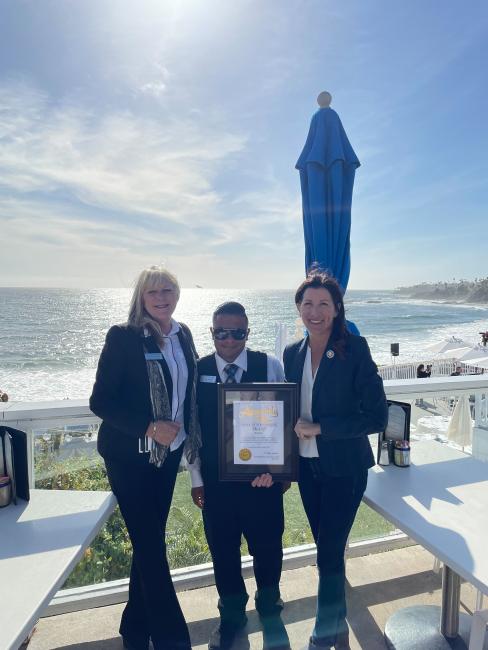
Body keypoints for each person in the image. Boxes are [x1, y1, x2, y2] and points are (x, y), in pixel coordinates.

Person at [90, 266, 200, 650]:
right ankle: (173, 640)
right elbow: (100, 401)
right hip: (129, 457)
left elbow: (189, 389)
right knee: (153, 548)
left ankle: (134, 631)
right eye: (153, 291)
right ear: (141, 296)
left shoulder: (182, 334)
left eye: (168, 289)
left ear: (177, 293)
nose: (162, 296)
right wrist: (150, 426)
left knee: (147, 541)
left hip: (166, 458)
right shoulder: (123, 337)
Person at [283, 272, 388, 650]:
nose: (315, 311)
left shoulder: (354, 348)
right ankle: (338, 624)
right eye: (308, 304)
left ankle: (324, 631)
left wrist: (320, 428)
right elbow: (286, 408)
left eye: (323, 304)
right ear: (299, 308)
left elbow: (375, 416)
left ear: (337, 308)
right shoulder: (291, 353)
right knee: (326, 550)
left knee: (328, 553)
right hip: (308, 470)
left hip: (345, 468)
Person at [189, 301, 290, 650]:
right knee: (223, 552)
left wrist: (278, 473)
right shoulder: (196, 370)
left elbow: (285, 422)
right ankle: (232, 614)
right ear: (212, 332)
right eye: (221, 332)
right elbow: (193, 431)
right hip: (217, 485)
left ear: (247, 332)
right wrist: (196, 479)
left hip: (261, 483)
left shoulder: (269, 365)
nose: (229, 340)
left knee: (269, 548)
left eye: (237, 332)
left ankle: (269, 608)